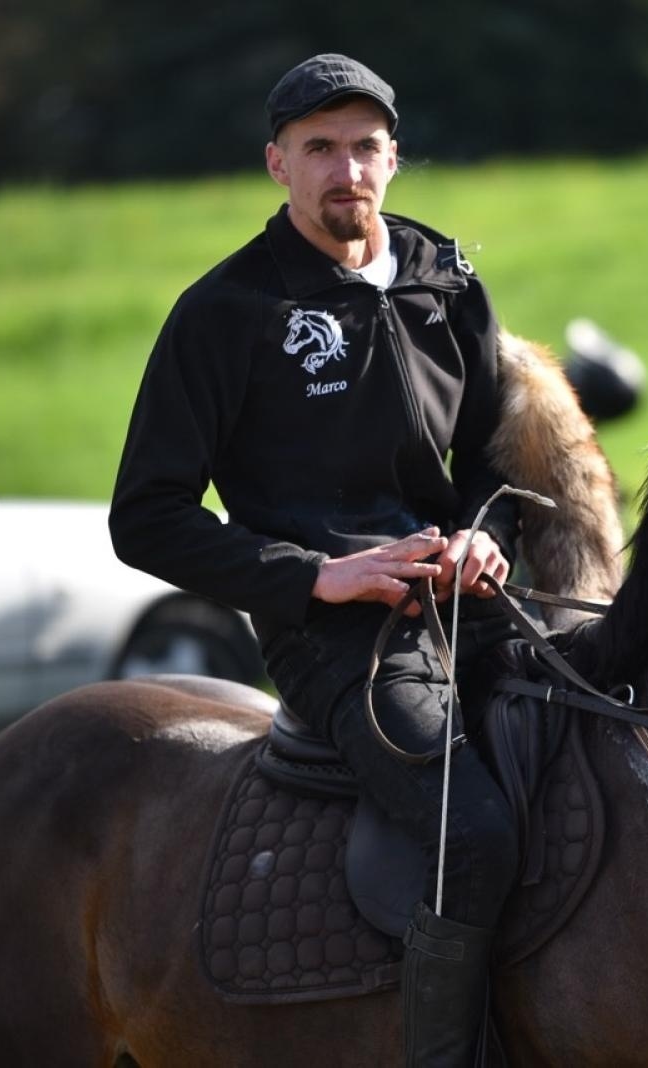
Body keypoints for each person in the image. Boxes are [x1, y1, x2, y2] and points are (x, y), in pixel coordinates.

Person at [110, 54, 519, 1065]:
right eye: (321, 149)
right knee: (469, 831)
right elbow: (145, 517)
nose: (347, 170)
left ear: (394, 159)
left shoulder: (445, 278)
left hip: (475, 600)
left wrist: (484, 535)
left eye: (365, 148)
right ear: (277, 165)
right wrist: (311, 578)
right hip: (337, 635)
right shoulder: (224, 312)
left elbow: (497, 461)